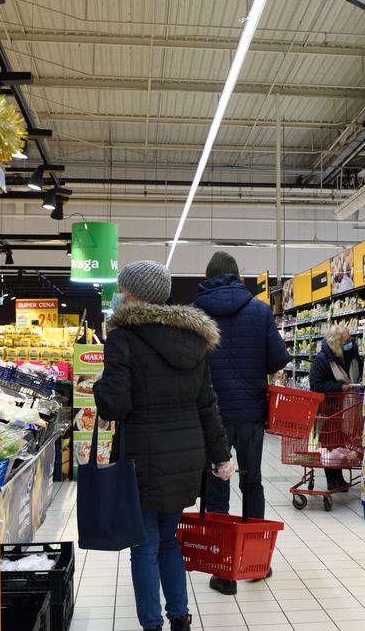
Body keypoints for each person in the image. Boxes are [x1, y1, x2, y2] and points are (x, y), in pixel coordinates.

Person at [94, 261, 236, 631]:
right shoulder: (194, 340)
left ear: (134, 294)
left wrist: (99, 382)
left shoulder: (123, 338)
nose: (119, 295)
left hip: (141, 459)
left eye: (123, 289)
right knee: (170, 540)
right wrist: (222, 455)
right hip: (187, 457)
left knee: (145, 545)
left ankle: (152, 624)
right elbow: (207, 404)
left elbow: (114, 405)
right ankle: (180, 619)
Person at [193, 251, 290, 595]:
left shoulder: (195, 314)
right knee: (253, 483)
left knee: (216, 487)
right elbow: (278, 358)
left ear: (207, 275)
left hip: (211, 414)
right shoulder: (260, 310)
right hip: (250, 410)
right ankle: (255, 563)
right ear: (238, 277)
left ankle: (223, 571)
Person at [308, 325, 361, 493]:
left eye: (350, 339)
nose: (350, 343)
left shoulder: (352, 354)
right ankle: (333, 479)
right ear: (336, 342)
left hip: (348, 408)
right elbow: (316, 385)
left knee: (341, 443)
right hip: (331, 408)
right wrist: (340, 387)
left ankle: (339, 478)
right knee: (331, 445)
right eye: (346, 341)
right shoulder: (323, 359)